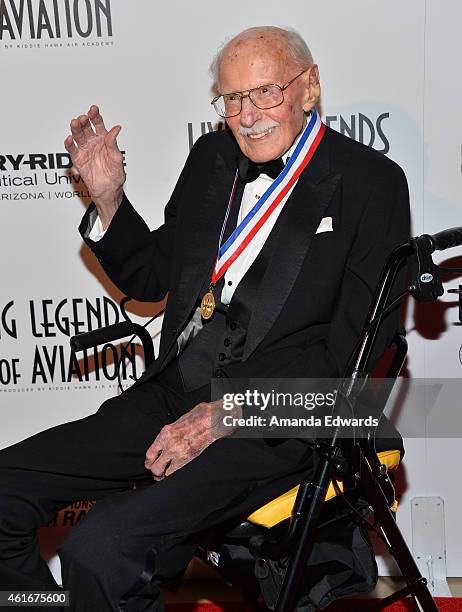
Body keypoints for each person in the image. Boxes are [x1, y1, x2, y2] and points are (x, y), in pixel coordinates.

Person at [0, 26, 410, 611]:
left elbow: (352, 369)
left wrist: (227, 414)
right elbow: (152, 277)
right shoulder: (211, 159)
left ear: (310, 87)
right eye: (232, 98)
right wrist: (109, 201)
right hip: (173, 394)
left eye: (266, 92)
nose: (247, 115)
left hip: (271, 424)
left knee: (100, 547)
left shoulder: (372, 185)